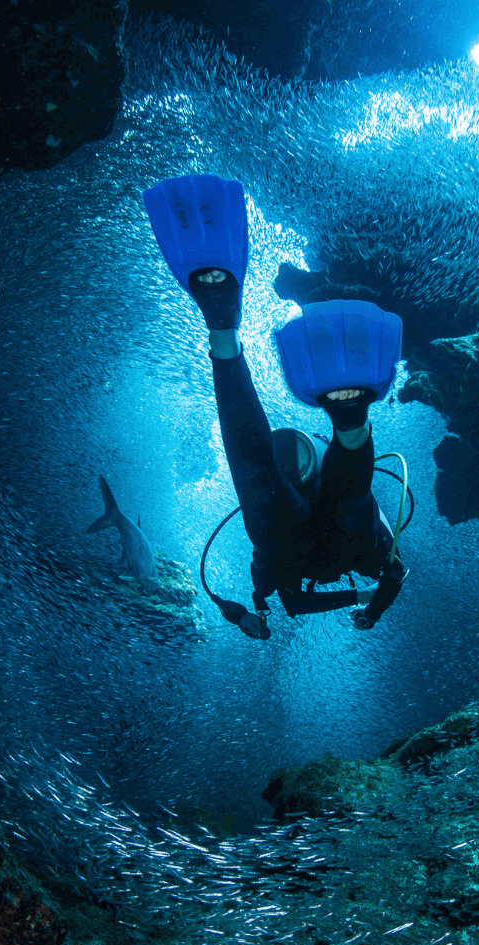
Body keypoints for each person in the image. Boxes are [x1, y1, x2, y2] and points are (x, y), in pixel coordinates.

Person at [143, 175, 408, 639]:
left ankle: (226, 336)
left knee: (263, 482)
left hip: (297, 549)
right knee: (297, 488)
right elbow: (392, 575)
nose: (295, 474)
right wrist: (369, 608)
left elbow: (289, 602)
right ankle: (348, 426)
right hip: (345, 544)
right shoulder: (359, 532)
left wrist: (250, 614)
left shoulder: (281, 555)